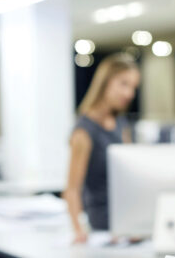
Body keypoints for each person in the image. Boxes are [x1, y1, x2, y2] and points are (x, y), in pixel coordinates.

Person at [63, 53, 140, 244]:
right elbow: (72, 189)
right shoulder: (84, 130)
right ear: (105, 82)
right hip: (102, 226)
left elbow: (129, 174)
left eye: (133, 87)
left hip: (129, 223)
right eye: (124, 84)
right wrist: (79, 230)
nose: (129, 94)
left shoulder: (121, 123)